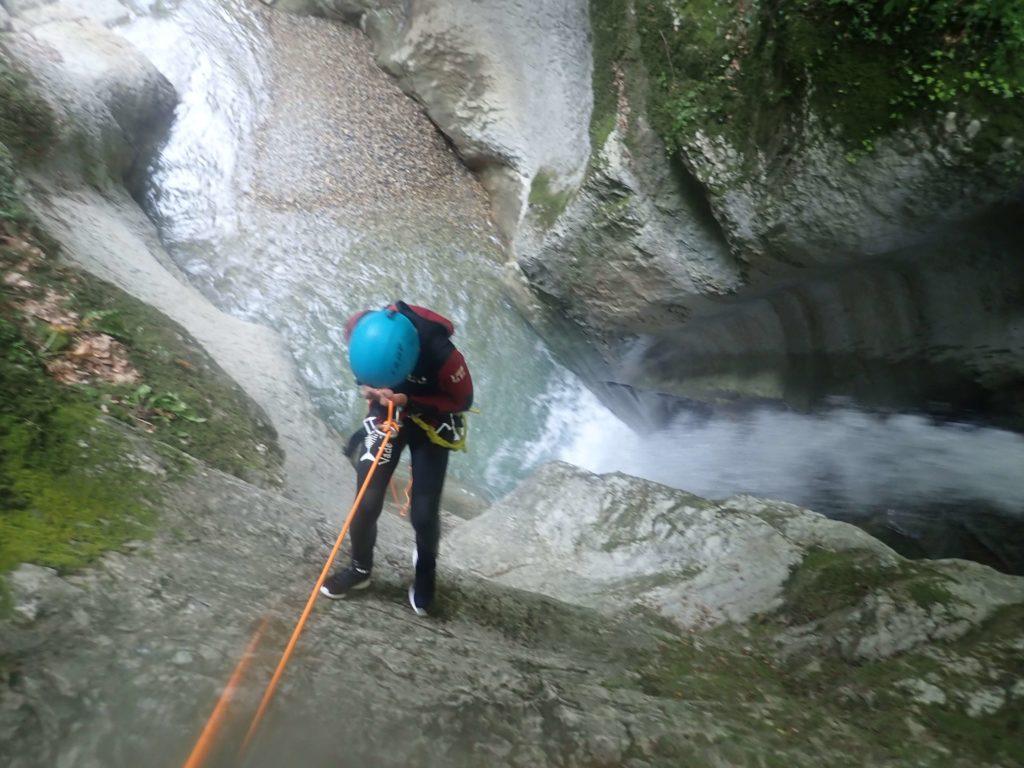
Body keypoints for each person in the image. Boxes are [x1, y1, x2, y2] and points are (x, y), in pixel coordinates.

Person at [320, 301, 473, 615]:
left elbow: (462, 400)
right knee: (366, 500)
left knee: (424, 511)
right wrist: (369, 390)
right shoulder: (364, 329)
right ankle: (360, 570)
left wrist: (409, 400)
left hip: (431, 419)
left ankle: (425, 573)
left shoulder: (442, 355)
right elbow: (362, 370)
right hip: (388, 412)